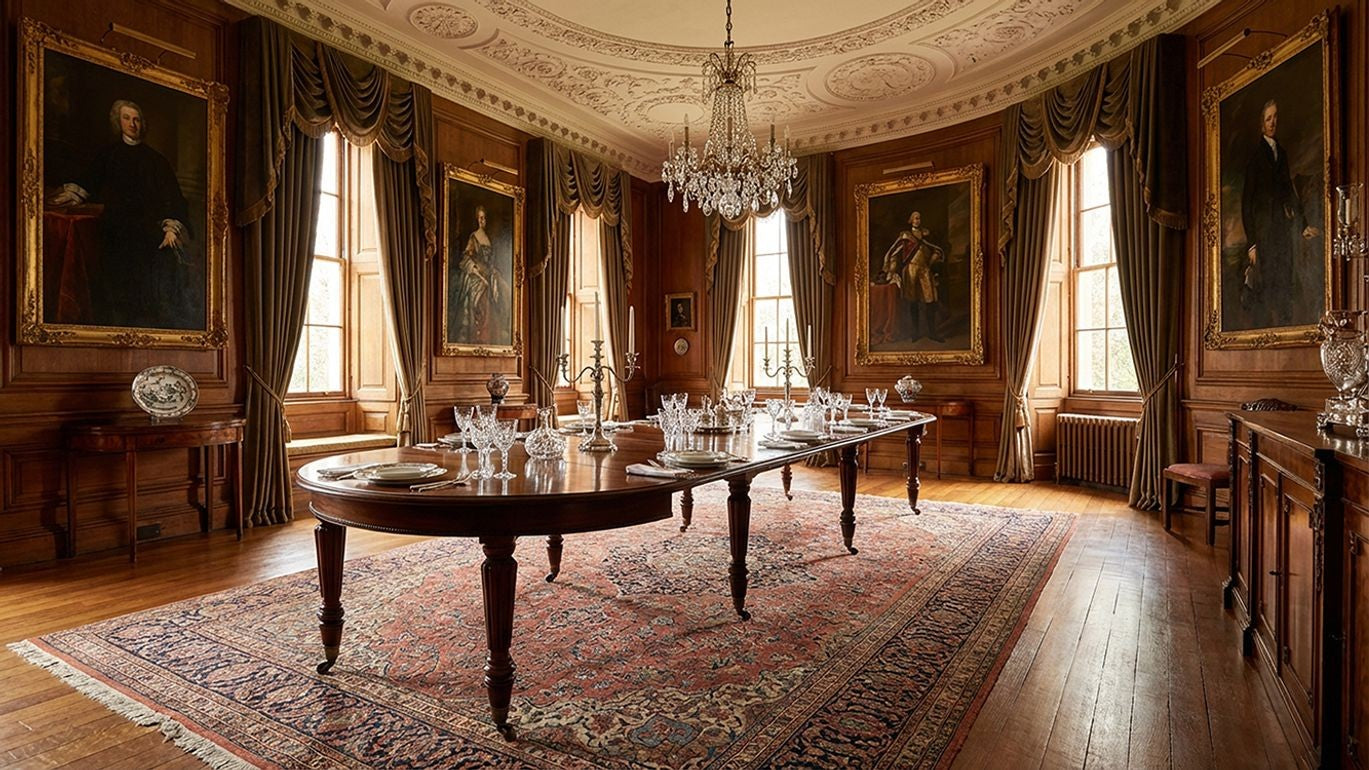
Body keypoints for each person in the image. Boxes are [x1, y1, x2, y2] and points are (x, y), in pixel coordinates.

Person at [48, 99, 193, 329]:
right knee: (115, 289)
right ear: (118, 121)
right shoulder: (108, 154)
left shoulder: (156, 161)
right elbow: (88, 183)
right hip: (115, 230)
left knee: (149, 294)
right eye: (126, 118)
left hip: (148, 232)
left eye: (136, 119)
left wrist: (171, 228)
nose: (132, 124)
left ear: (142, 123)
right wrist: (67, 195)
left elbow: (173, 199)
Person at [1240, 98, 1319, 328]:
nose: (1273, 122)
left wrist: (1303, 224)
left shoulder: (1281, 154)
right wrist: (1252, 244)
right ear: (1261, 124)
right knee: (1266, 284)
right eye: (1268, 118)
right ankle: (1268, 331)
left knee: (1285, 279)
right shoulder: (1255, 158)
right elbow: (1247, 203)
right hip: (1263, 235)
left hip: (1281, 232)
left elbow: (1289, 193)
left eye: (1275, 117)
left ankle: (1284, 325)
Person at [875, 210, 945, 342]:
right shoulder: (906, 236)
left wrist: (931, 262)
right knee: (913, 301)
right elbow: (894, 253)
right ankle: (915, 333)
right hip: (911, 270)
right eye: (915, 218)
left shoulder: (926, 234)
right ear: (911, 220)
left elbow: (936, 249)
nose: (918, 220)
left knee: (930, 301)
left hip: (925, 270)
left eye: (919, 218)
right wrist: (891, 270)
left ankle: (932, 333)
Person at [451, 205, 510, 344]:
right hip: (476, 274)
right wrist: (476, 270)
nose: (481, 221)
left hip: (489, 273)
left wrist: (492, 271)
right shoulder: (474, 237)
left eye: (483, 218)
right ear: (477, 220)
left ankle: (495, 335)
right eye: (479, 218)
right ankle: (479, 336)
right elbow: (467, 258)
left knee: (503, 291)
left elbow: (490, 261)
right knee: (481, 301)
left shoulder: (488, 238)